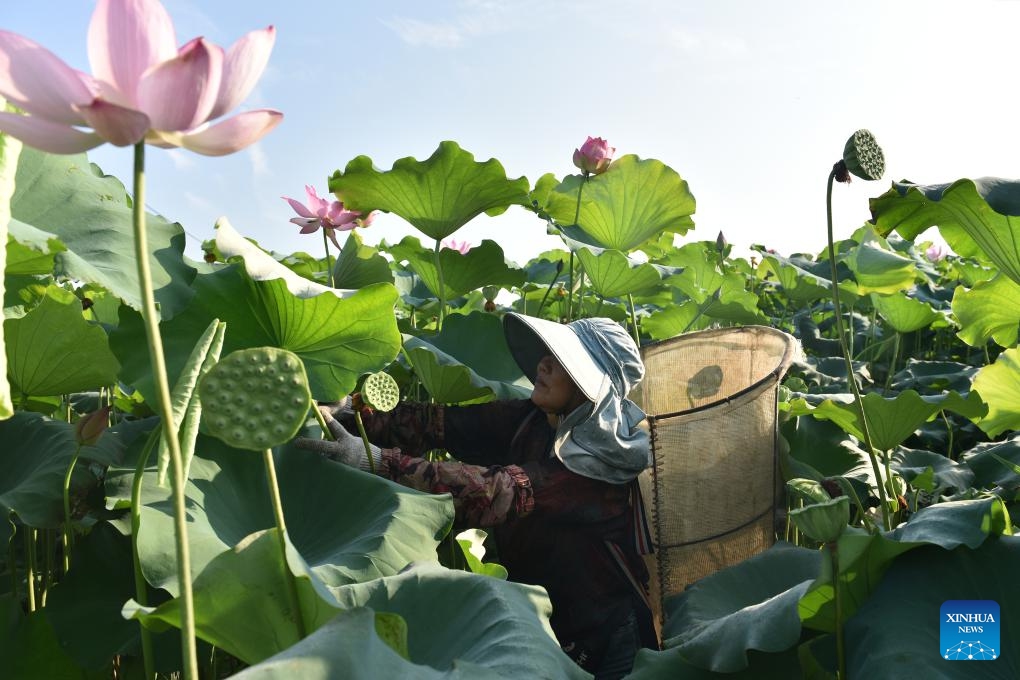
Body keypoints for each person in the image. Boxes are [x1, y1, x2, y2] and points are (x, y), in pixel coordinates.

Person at [300, 312, 657, 678]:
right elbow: (442, 424)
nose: (543, 364)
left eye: (562, 360)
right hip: (547, 616)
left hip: (606, 631)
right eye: (548, 352)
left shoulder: (599, 466)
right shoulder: (533, 418)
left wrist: (374, 461)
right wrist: (350, 413)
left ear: (587, 386)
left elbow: (493, 492)